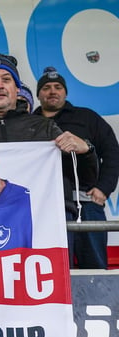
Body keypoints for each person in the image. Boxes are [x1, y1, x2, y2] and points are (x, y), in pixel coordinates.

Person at [0, 53, 98, 266]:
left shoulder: (44, 127)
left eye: (6, 79)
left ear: (17, 89)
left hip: (45, 223)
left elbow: (86, 180)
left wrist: (86, 150)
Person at [35, 66, 119, 269]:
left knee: (95, 266)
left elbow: (111, 152)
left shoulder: (87, 117)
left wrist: (104, 188)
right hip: (46, 206)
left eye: (57, 87)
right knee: (55, 269)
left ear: (65, 91)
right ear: (39, 94)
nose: (52, 91)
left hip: (86, 203)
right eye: (46, 87)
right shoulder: (30, 122)